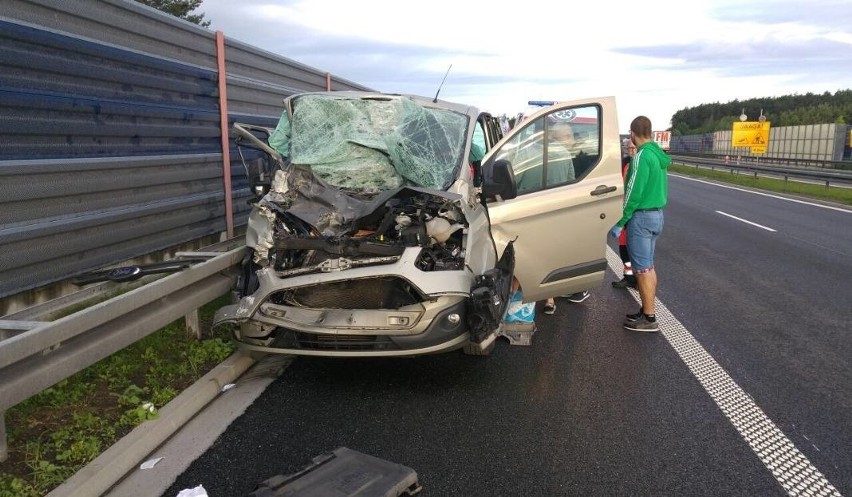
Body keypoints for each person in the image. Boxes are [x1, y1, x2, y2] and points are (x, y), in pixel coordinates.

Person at [610, 116, 670, 331]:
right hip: (656, 216)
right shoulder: (657, 154)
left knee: (642, 270)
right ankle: (646, 310)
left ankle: (650, 318)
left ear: (632, 133)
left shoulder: (641, 157)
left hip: (641, 218)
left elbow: (632, 193)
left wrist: (621, 221)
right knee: (648, 267)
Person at [612, 139, 637, 289]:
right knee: (623, 246)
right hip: (623, 210)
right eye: (629, 148)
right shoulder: (624, 163)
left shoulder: (639, 165)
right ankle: (628, 275)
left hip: (632, 211)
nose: (631, 150)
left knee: (633, 247)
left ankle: (637, 278)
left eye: (634, 148)